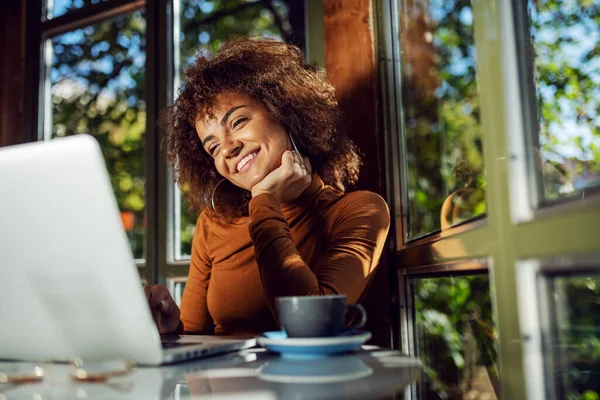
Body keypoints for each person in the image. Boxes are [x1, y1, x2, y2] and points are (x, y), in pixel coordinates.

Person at [144, 36, 390, 336]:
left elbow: (310, 326)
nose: (227, 149)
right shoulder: (213, 224)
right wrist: (169, 327)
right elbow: (196, 336)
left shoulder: (359, 210)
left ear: (285, 112)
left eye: (238, 122)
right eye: (212, 148)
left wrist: (263, 200)